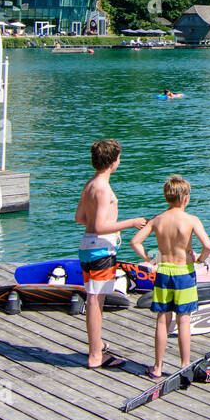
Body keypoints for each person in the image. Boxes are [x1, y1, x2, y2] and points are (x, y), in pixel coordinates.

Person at [130, 174, 210, 379]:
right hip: (184, 273)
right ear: (186, 198)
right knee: (183, 319)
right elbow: (208, 246)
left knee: (162, 320)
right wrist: (200, 260)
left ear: (167, 197)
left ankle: (157, 366)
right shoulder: (191, 220)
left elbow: (135, 242)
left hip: (163, 272)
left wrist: (150, 259)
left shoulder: (158, 220)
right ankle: (184, 364)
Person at [74, 139, 146, 369]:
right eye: (119, 158)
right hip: (100, 249)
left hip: (87, 246)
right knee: (96, 300)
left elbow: (80, 218)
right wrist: (131, 222)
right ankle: (95, 355)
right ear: (114, 162)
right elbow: (99, 226)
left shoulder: (89, 184)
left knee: (94, 297)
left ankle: (97, 345)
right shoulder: (103, 189)